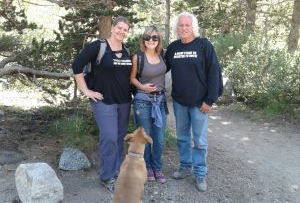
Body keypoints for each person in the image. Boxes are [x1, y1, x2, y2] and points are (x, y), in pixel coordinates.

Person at [71, 16, 132, 193]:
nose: (121, 31)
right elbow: (76, 66)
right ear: (112, 28)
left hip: (124, 102)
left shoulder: (127, 50)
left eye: (125, 29)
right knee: (109, 138)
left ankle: (117, 173)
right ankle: (106, 177)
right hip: (104, 102)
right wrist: (86, 91)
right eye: (119, 28)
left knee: (119, 139)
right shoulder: (98, 46)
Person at [165, 12, 222, 192]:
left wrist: (210, 100)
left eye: (186, 25)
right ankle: (185, 167)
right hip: (179, 102)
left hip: (200, 103)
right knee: (182, 138)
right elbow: (159, 68)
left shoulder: (204, 45)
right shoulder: (173, 48)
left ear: (193, 27)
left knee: (200, 141)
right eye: (180, 25)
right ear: (177, 28)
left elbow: (215, 73)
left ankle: (199, 173)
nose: (183, 28)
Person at [130, 25, 168, 184]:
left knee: (158, 138)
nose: (151, 40)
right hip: (143, 102)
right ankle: (146, 167)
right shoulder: (138, 57)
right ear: (143, 40)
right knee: (145, 138)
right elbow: (132, 78)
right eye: (147, 37)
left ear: (159, 40)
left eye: (154, 38)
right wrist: (143, 87)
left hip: (160, 102)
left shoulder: (163, 55)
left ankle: (157, 167)